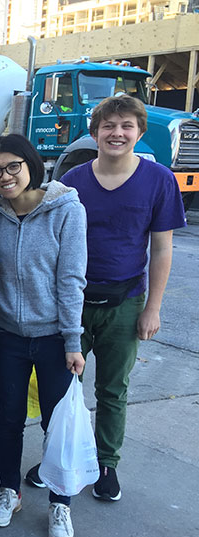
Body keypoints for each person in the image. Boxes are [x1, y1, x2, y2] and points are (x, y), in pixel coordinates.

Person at [57, 95, 185, 502]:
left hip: (125, 302)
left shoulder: (159, 180)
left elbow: (162, 249)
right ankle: (57, 459)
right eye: (108, 125)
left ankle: (106, 464)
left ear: (139, 132)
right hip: (73, 303)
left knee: (113, 391)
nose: (117, 133)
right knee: (62, 387)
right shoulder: (73, 181)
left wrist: (152, 308)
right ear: (94, 133)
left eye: (126, 125)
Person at [0, 134, 87, 537]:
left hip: (54, 338)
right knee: (8, 418)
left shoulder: (66, 209)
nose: (5, 176)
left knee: (55, 423)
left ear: (30, 165)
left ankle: (61, 502)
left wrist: (72, 340)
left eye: (13, 167)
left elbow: (72, 278)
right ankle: (10, 490)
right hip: (8, 336)